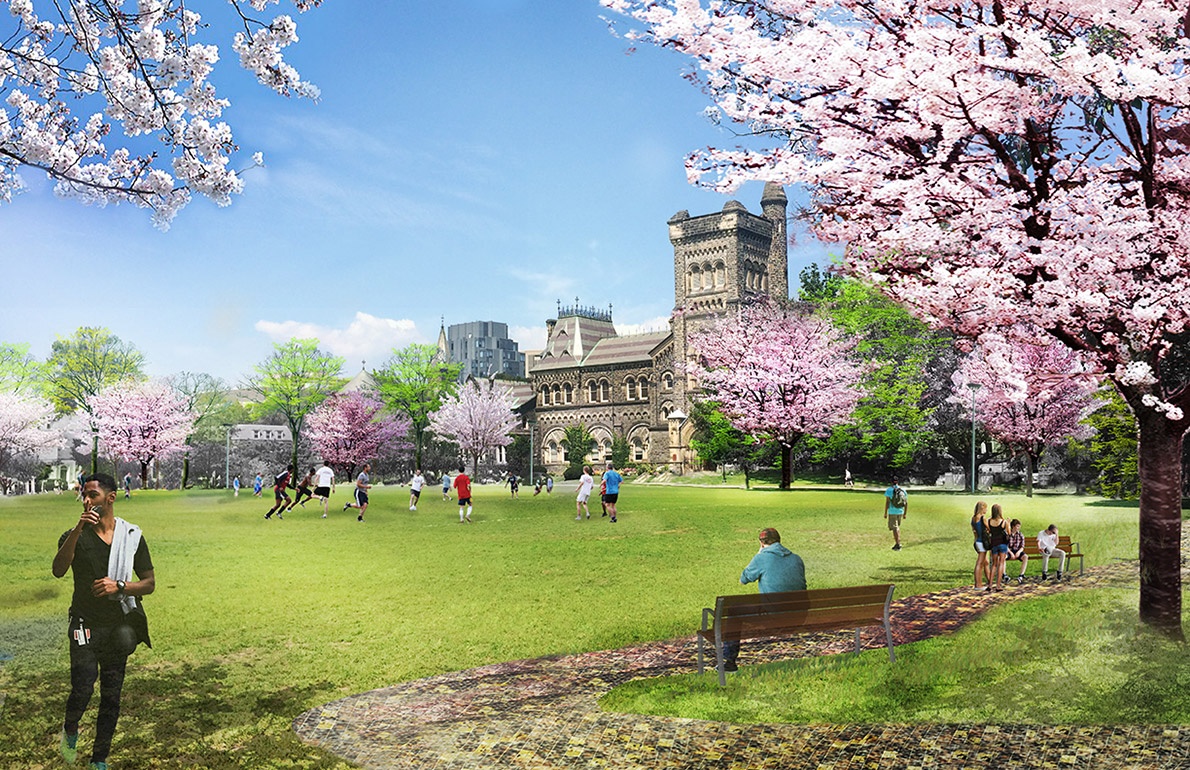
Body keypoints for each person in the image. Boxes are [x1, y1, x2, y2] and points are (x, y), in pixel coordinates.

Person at [52, 472, 155, 770]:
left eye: (92, 495)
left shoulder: (131, 536)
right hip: (83, 624)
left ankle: (99, 759)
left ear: (110, 498)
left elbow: (148, 583)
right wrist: (77, 529)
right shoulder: (74, 536)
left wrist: (120, 586)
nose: (86, 500)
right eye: (83, 495)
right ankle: (71, 729)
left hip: (117, 624)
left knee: (112, 695)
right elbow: (59, 570)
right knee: (82, 687)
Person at [721, 527, 806, 672]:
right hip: (800, 616)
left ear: (761, 543)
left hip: (775, 619)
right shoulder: (796, 558)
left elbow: (743, 580)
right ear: (779, 541)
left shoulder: (761, 557)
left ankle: (729, 662)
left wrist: (759, 554)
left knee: (733, 610)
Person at [986, 504, 1010, 592]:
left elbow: (988, 531)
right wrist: (1009, 523)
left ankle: (990, 585)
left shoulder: (989, 521)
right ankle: (998, 586)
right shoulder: (1004, 522)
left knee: (994, 564)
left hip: (994, 544)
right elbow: (1009, 533)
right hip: (1003, 544)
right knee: (1001, 564)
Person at [970, 501, 990, 590]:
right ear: (982, 509)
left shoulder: (974, 518)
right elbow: (990, 529)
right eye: (986, 508)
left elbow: (974, 530)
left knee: (986, 562)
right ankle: (978, 585)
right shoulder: (982, 518)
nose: (986, 510)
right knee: (979, 564)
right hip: (982, 542)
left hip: (977, 542)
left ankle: (989, 581)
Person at [884, 478, 907, 550]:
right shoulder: (903, 490)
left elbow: (887, 502)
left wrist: (885, 512)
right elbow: (906, 503)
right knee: (897, 527)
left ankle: (898, 544)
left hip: (892, 511)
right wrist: (905, 513)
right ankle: (898, 541)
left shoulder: (889, 490)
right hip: (900, 511)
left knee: (895, 528)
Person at [1004, 518, 1029, 584]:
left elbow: (1022, 546)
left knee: (1025, 557)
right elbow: (1005, 546)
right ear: (1013, 526)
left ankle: (1021, 575)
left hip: (1017, 552)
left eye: (1019, 526)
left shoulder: (1020, 535)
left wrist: (1018, 552)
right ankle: (1004, 575)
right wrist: (1011, 553)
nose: (1019, 528)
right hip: (1009, 551)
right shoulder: (1007, 534)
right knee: (1003, 557)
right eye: (1017, 526)